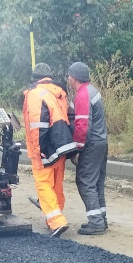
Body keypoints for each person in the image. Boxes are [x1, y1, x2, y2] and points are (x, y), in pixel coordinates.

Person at [22, 63, 79, 237]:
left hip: (45, 147)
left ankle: (56, 222)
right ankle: (55, 217)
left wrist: (39, 150)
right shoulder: (59, 93)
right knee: (56, 185)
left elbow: (38, 125)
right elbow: (70, 117)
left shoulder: (35, 94)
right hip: (60, 146)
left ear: (34, 78)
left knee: (44, 185)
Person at [66, 62, 109, 235]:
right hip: (101, 143)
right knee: (97, 182)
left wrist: (77, 149)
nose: (67, 78)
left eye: (69, 75)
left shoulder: (82, 95)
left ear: (74, 78)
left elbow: (83, 126)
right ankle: (101, 219)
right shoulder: (92, 91)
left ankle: (96, 223)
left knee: (85, 182)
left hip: (91, 145)